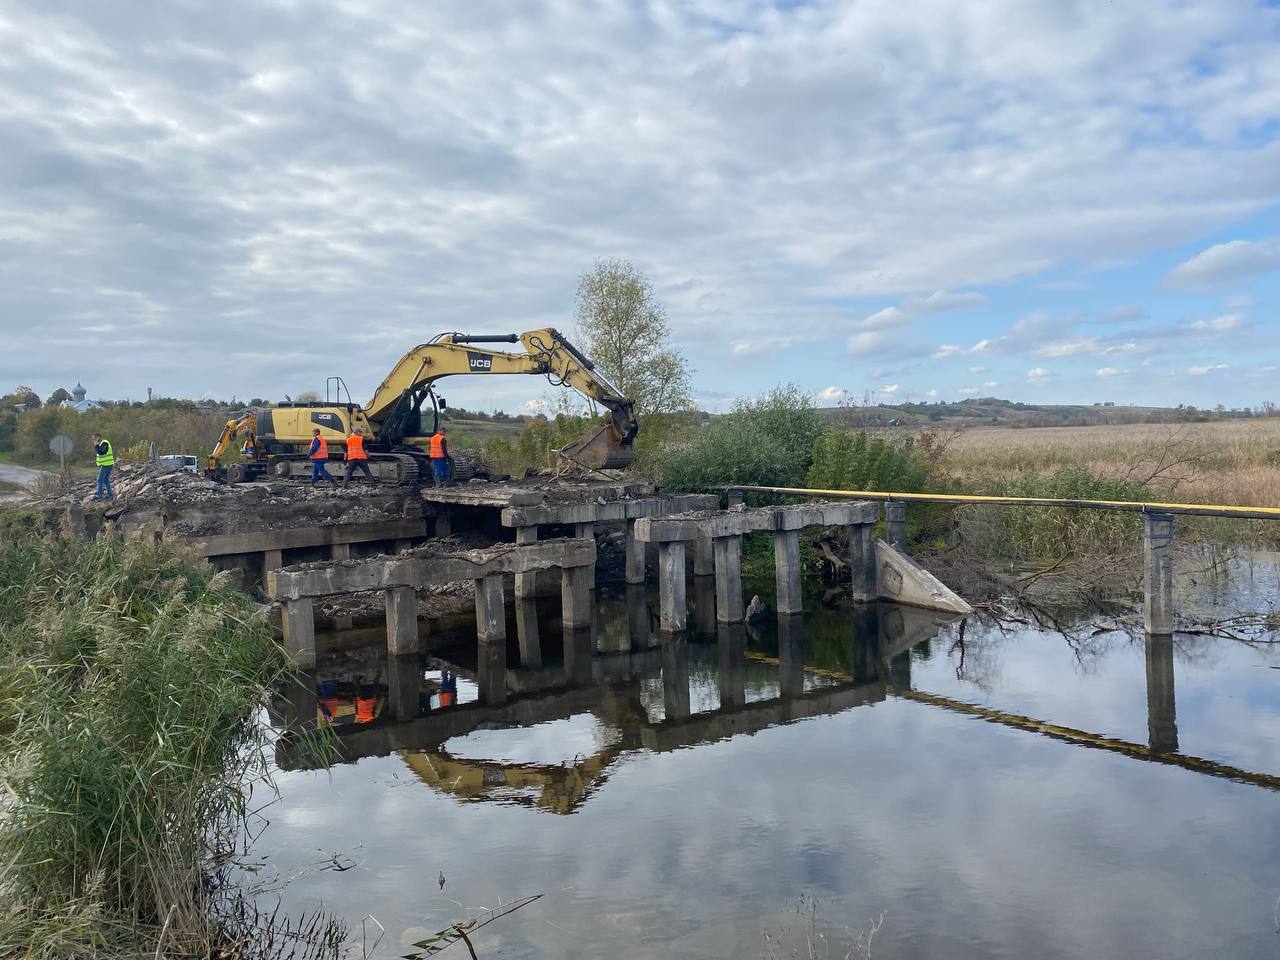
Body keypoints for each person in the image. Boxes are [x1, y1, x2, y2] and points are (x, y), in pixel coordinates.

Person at [91, 432, 114, 500]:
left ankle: (99, 496)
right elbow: (101, 452)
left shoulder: (105, 443)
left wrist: (96, 446)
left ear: (98, 437)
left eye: (94, 439)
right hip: (107, 464)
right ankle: (109, 495)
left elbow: (101, 452)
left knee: (99, 480)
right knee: (106, 480)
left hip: (107, 465)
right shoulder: (102, 444)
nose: (94, 441)